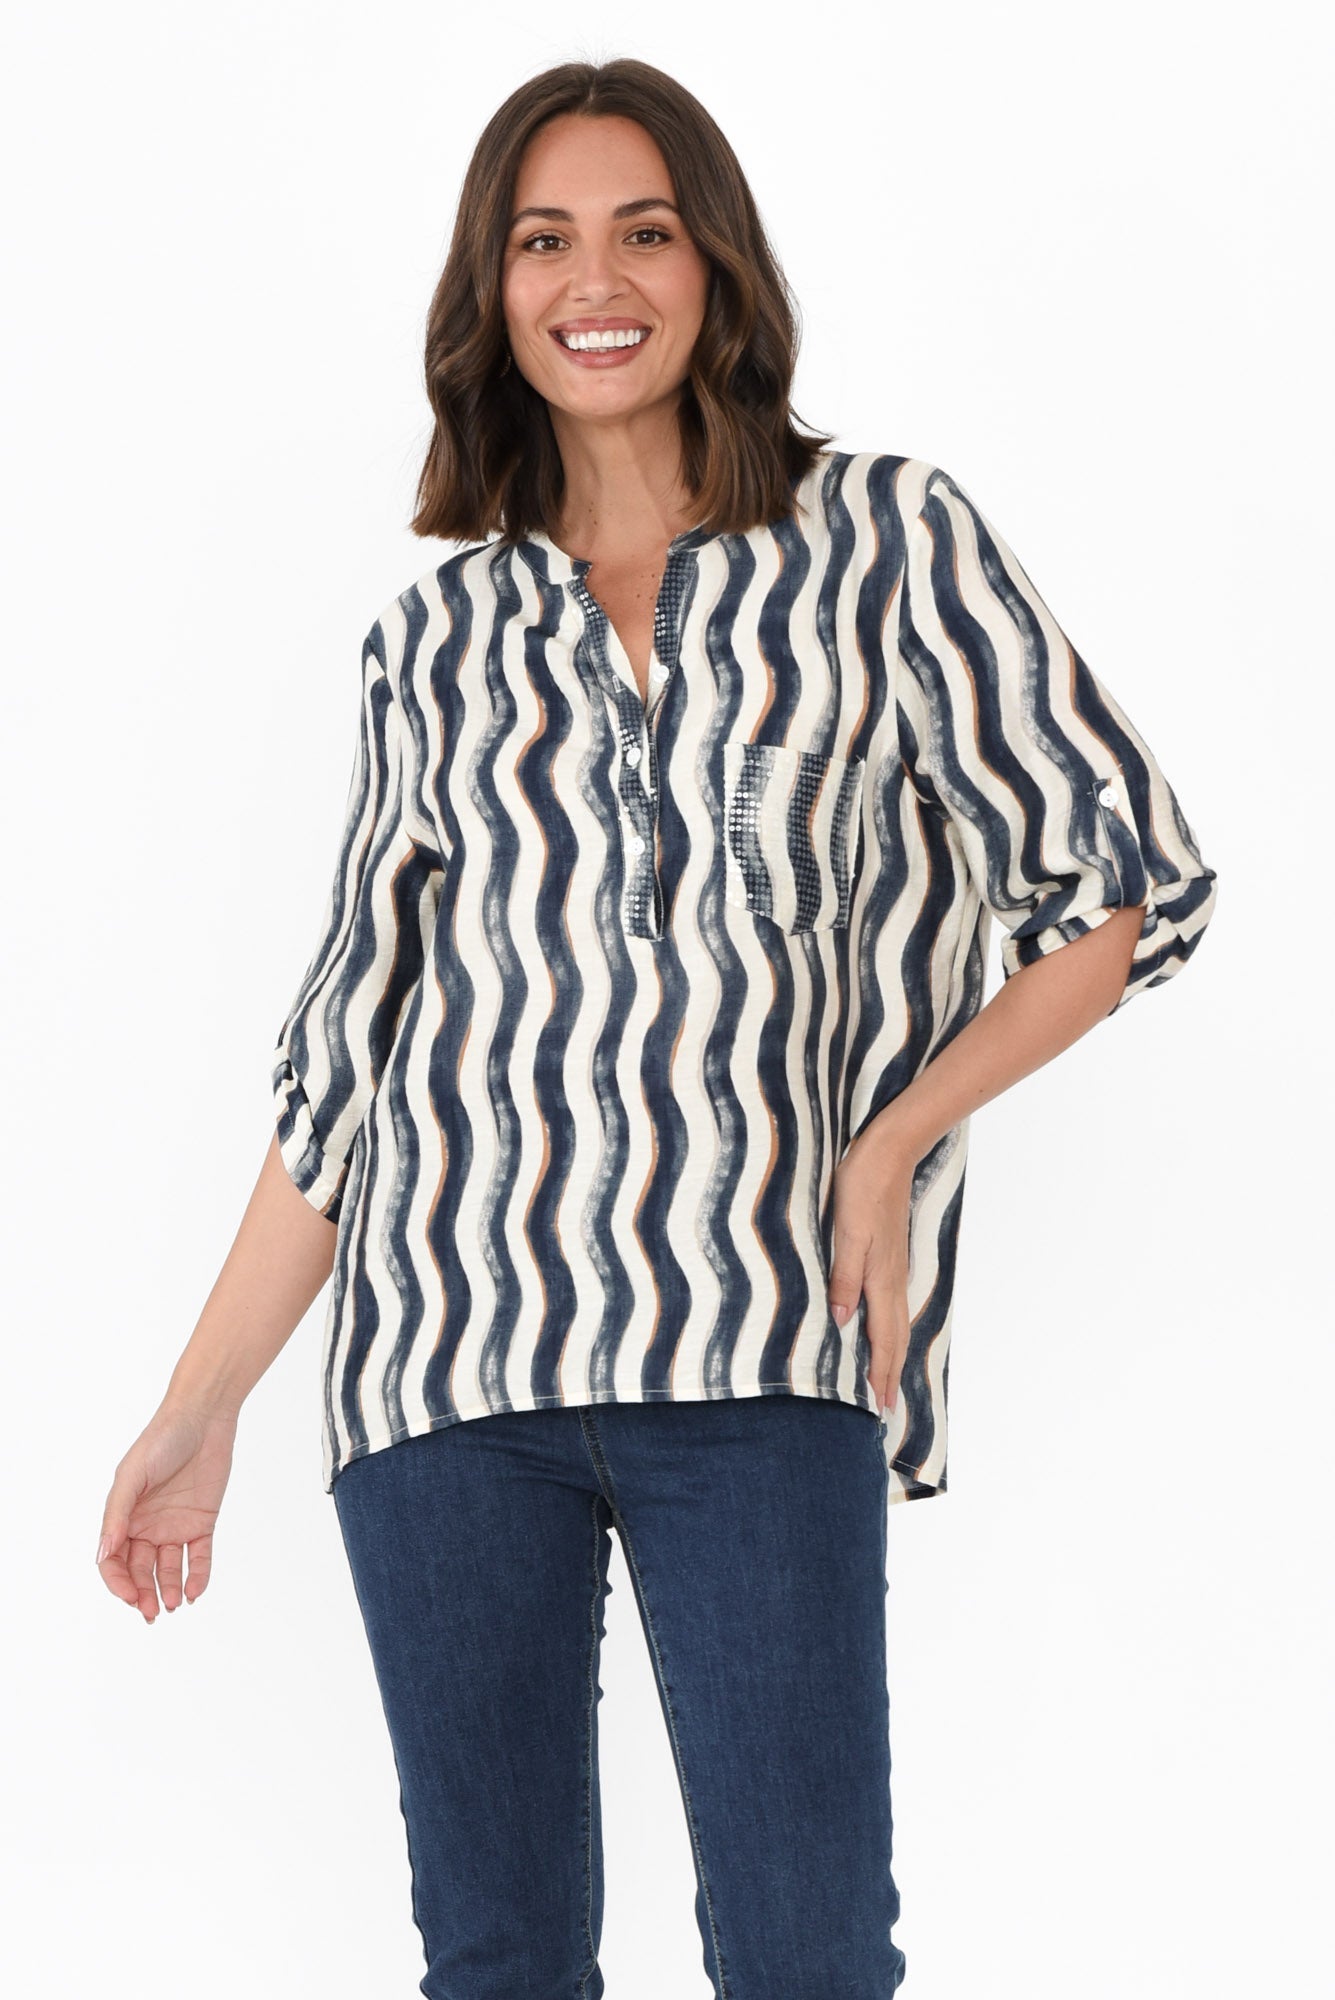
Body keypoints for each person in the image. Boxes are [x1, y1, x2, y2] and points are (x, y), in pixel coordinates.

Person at [95, 56, 1218, 2000]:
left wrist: (891, 1141)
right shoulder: (433, 643)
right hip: (446, 1363)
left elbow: (1119, 888)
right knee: (500, 1958)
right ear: (492, 288)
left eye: (643, 230)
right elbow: (348, 1065)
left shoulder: (886, 540)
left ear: (716, 268)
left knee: (805, 1952)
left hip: (762, 1335)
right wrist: (199, 1409)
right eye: (543, 241)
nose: (593, 281)